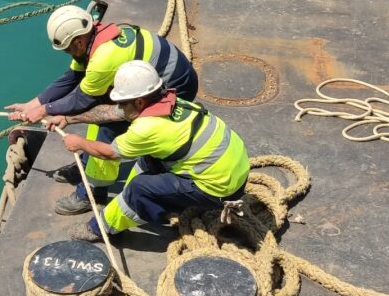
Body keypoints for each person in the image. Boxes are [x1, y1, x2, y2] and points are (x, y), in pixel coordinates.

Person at [5, 6, 198, 214]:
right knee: (97, 116)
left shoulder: (103, 59)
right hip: (154, 81)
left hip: (174, 88)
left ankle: (92, 193)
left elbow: (81, 100)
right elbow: (71, 78)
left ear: (78, 41)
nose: (68, 54)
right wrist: (33, 104)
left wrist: (44, 111)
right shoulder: (94, 39)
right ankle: (88, 166)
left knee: (109, 127)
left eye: (68, 49)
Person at [48, 60, 250, 244]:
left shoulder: (146, 129)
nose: (119, 106)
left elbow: (109, 153)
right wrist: (69, 118)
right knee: (149, 160)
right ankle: (131, 201)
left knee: (140, 188)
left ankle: (101, 229)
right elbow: (114, 114)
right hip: (235, 171)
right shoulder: (174, 103)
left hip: (219, 188)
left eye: (122, 102)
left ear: (139, 102)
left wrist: (80, 143)